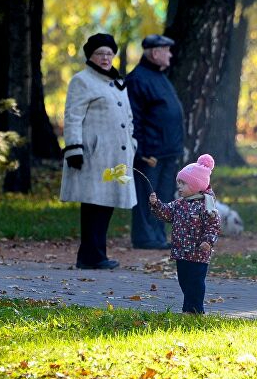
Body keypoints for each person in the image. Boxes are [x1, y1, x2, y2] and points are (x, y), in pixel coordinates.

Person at [60, 33, 137, 270]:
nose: (105, 58)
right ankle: (90, 256)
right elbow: (72, 116)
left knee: (107, 203)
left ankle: (96, 254)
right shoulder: (82, 80)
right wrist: (74, 149)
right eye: (99, 54)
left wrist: (132, 143)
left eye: (109, 53)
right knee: (93, 203)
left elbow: (128, 117)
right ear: (90, 56)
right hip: (94, 155)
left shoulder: (116, 82)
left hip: (116, 155)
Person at [126, 34, 185, 250]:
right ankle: (145, 237)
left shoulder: (159, 76)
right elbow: (134, 117)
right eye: (166, 50)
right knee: (148, 195)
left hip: (167, 151)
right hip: (150, 151)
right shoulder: (138, 78)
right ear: (155, 52)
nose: (170, 54)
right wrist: (140, 150)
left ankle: (158, 236)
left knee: (164, 195)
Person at [149, 154, 221, 314]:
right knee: (185, 282)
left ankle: (195, 311)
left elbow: (213, 226)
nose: (179, 187)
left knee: (195, 282)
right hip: (181, 252)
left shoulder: (206, 206)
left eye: (183, 184)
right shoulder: (179, 204)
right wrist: (156, 204)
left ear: (196, 185)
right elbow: (167, 213)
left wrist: (208, 242)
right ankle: (190, 308)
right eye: (179, 183)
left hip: (198, 253)